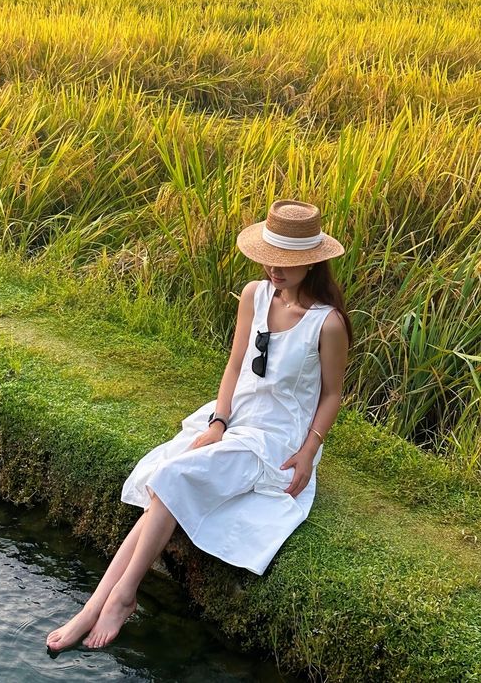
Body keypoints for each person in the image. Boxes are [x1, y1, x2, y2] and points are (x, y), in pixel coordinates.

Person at [47, 198, 352, 652]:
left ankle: (120, 597)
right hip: (233, 419)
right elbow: (234, 366)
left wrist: (308, 452)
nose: (274, 270)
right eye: (269, 259)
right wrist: (218, 421)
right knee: (166, 482)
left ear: (312, 263)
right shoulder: (254, 295)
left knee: (171, 478)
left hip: (274, 438)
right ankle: (96, 606)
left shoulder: (327, 324)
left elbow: (332, 395)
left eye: (286, 264)